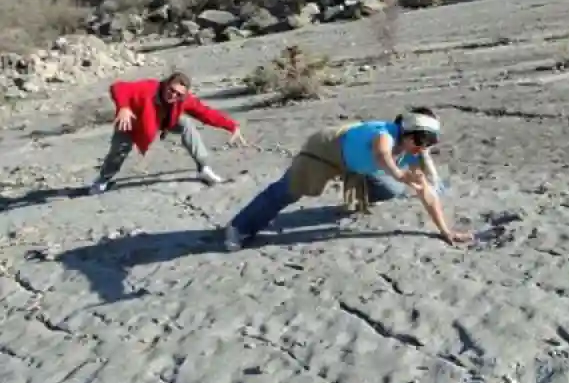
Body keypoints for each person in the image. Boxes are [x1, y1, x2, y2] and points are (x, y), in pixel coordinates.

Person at [222, 107, 473, 249]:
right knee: (289, 191)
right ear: (406, 132)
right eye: (419, 139)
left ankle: (356, 191)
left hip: (357, 164)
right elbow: (382, 153)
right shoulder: (384, 133)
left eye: (429, 142)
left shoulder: (415, 153)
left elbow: (426, 193)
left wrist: (446, 231)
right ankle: (238, 228)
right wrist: (398, 173)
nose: (422, 146)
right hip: (326, 150)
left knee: (392, 190)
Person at [88, 71, 246, 194]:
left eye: (178, 94)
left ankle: (203, 168)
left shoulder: (184, 100)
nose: (173, 95)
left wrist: (231, 126)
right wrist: (123, 107)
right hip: (131, 121)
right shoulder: (148, 88)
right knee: (119, 150)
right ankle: (102, 180)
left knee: (186, 124)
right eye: (171, 90)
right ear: (166, 84)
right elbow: (117, 87)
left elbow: (205, 112)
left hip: (161, 122)